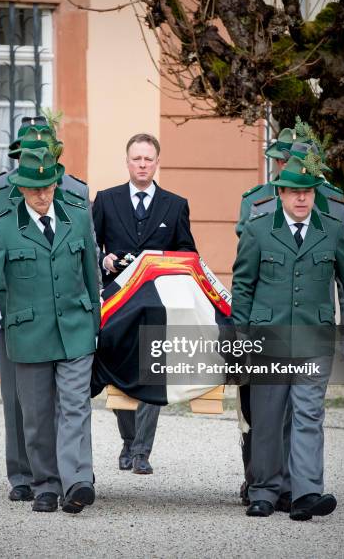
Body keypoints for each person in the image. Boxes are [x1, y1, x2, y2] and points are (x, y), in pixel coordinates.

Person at [0, 115, 96, 503]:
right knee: (26, 405)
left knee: (72, 402)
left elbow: (89, 263)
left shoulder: (75, 197)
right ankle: (28, 476)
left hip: (69, 318)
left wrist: (95, 318)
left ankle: (75, 478)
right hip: (16, 311)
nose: (43, 192)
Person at [230, 154, 344, 520]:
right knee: (267, 417)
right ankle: (263, 491)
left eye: (307, 192)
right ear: (280, 192)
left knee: (309, 415)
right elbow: (243, 286)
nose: (301, 199)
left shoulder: (331, 228)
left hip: (315, 337)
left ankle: (306, 493)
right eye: (294, 192)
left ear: (314, 193)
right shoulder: (258, 229)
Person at [92, 133, 197, 475]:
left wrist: (163, 261)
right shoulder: (105, 200)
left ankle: (141, 452)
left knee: (154, 370)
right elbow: (89, 247)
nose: (142, 164)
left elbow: (188, 255)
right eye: (136, 158)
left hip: (157, 305)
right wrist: (105, 261)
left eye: (148, 159)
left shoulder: (175, 204)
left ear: (157, 162)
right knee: (117, 369)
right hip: (117, 306)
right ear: (127, 162)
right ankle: (127, 440)